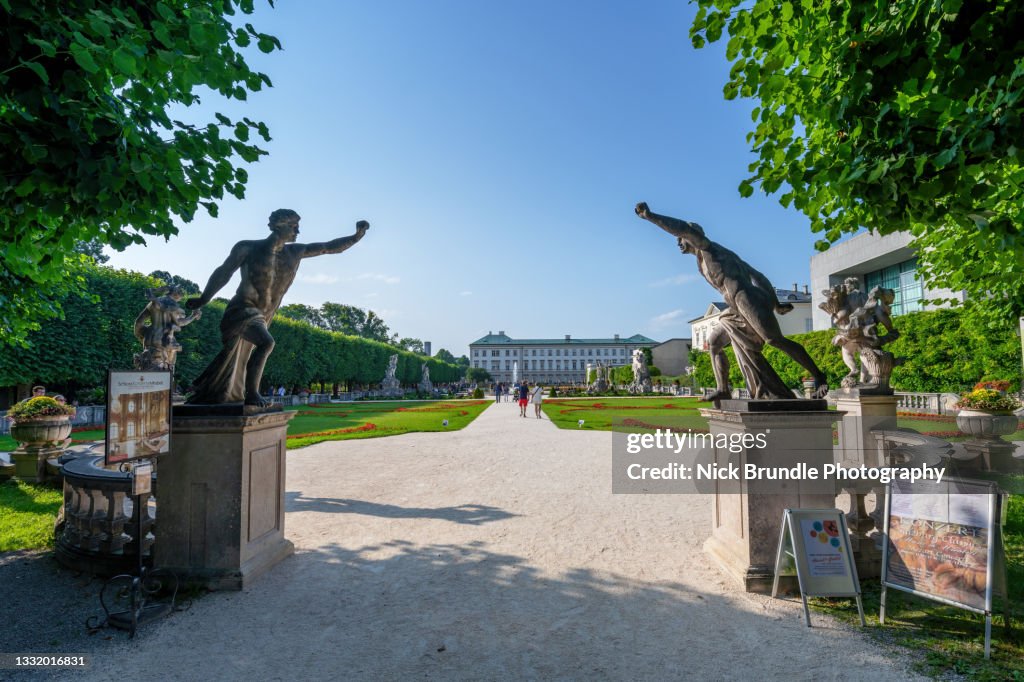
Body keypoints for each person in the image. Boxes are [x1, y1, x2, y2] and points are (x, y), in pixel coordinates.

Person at [635, 202, 828, 402]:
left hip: (747, 299)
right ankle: (723, 389)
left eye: (680, 238)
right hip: (734, 306)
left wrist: (650, 216)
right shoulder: (707, 258)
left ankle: (819, 376)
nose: (678, 242)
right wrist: (776, 303)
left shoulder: (707, 248)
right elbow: (758, 276)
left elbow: (682, 228)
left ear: (692, 236)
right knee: (713, 343)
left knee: (774, 340)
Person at [185, 209, 369, 405]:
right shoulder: (247, 247)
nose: (297, 231)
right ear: (278, 226)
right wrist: (204, 298)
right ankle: (252, 394)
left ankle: (214, 391)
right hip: (242, 309)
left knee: (234, 358)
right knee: (266, 343)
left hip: (264, 315)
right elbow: (224, 272)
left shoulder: (295, 252)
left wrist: (355, 237)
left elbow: (327, 247)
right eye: (293, 226)